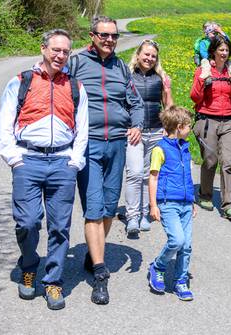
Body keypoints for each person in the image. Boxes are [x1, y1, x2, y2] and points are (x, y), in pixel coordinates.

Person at [0, 28, 89, 310]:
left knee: (60, 227)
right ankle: (28, 265)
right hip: (28, 161)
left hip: (62, 163)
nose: (60, 56)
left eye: (65, 51)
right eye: (56, 50)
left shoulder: (75, 86)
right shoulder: (21, 81)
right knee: (27, 223)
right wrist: (14, 158)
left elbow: (82, 128)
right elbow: (5, 122)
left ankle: (53, 280)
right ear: (43, 49)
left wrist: (75, 161)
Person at [68, 15, 144, 305]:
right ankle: (100, 274)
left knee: (110, 206)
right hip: (88, 145)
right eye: (104, 35)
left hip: (117, 145)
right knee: (94, 209)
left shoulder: (122, 68)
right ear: (92, 36)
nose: (110, 40)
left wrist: (136, 124)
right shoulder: (76, 64)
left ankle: (93, 251)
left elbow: (134, 102)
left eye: (114, 36)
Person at [190, 34, 231, 220]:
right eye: (221, 49)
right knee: (211, 160)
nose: (224, 53)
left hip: (228, 121)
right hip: (207, 120)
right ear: (213, 51)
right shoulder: (203, 70)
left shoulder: (230, 71)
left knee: (228, 162)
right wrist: (203, 79)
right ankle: (205, 194)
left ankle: (228, 204)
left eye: (227, 50)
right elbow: (195, 97)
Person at [146, 106, 196, 301]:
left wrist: (191, 201)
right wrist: (153, 205)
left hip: (185, 203)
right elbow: (153, 178)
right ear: (179, 126)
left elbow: (188, 177)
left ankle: (180, 281)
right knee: (177, 240)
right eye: (189, 126)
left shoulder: (185, 148)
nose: (190, 129)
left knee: (187, 245)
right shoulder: (160, 149)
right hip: (167, 203)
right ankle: (158, 266)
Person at [124, 39, 174, 235]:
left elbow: (168, 107)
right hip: (134, 132)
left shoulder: (160, 78)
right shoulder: (127, 76)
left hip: (155, 131)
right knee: (134, 173)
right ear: (138, 55)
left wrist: (167, 128)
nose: (149, 58)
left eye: (153, 56)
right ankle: (131, 216)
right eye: (146, 54)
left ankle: (145, 213)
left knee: (149, 174)